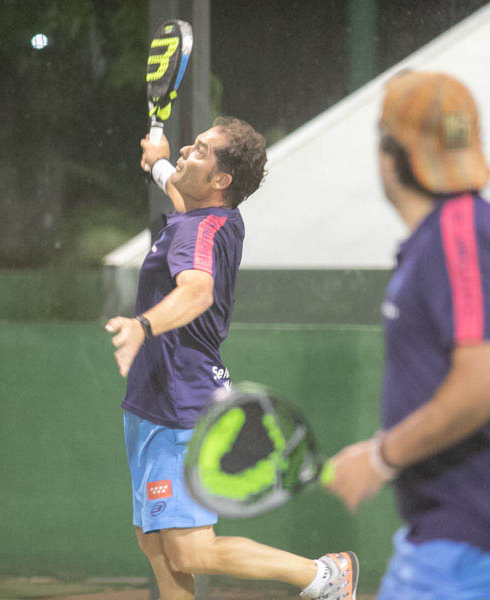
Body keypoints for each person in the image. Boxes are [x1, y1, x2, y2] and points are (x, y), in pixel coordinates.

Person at [325, 71, 490, 599]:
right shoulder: (452, 232)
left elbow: (488, 380)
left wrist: (380, 458)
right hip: (467, 528)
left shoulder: (459, 232)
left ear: (390, 155)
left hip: (484, 533)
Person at [105, 117, 359, 600]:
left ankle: (323, 575)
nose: (187, 150)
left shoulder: (199, 231)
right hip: (150, 402)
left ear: (220, 179)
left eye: (200, 150)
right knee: (155, 542)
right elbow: (181, 193)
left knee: (190, 552)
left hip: (179, 406)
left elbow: (197, 291)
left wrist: (143, 326)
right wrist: (158, 162)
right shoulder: (208, 217)